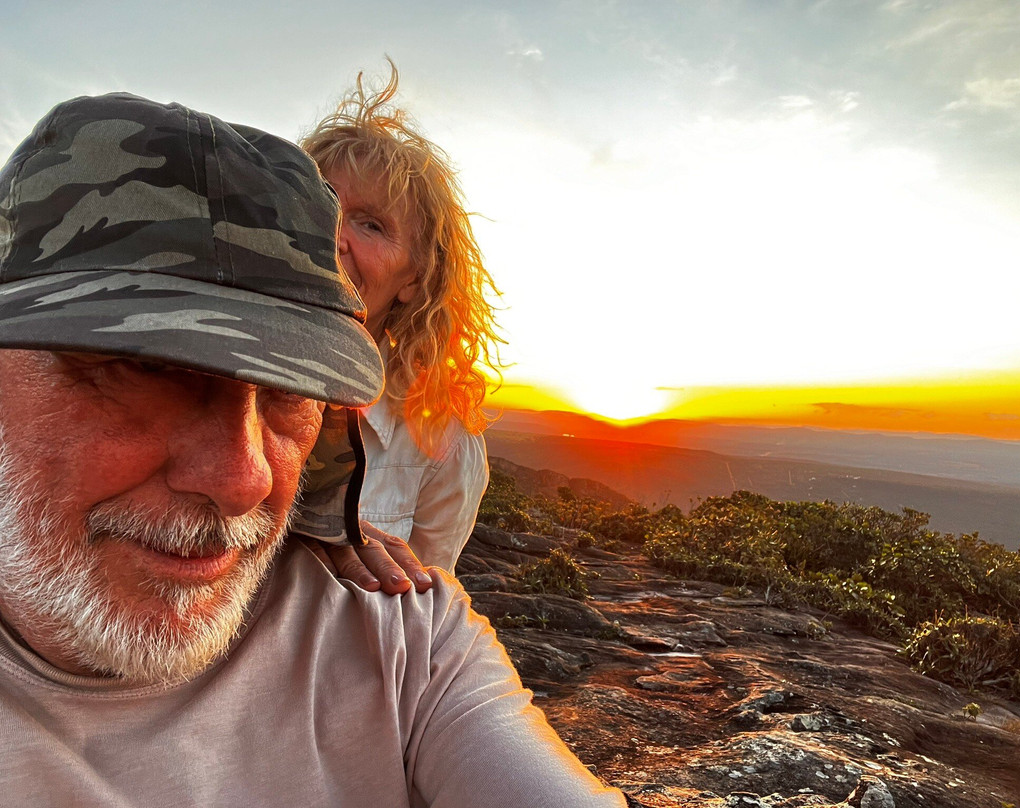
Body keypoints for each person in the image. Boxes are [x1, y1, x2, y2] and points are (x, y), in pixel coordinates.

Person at [0, 92, 624, 807]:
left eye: (292, 392)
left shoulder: (403, 636)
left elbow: (423, 590)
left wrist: (372, 581)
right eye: (144, 367)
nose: (245, 479)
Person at [298, 65, 499, 575]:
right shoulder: (200, 370)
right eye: (317, 205)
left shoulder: (439, 439)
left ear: (413, 279)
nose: (334, 236)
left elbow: (424, 611)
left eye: (371, 224)